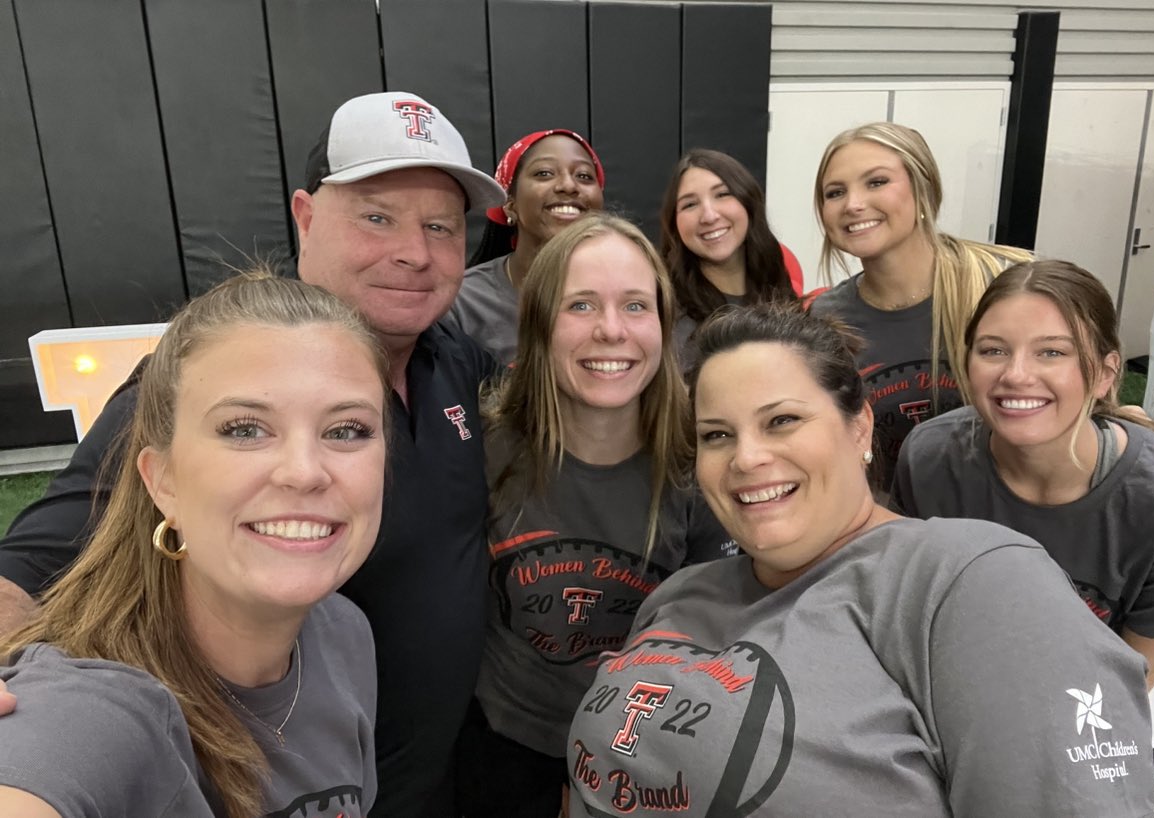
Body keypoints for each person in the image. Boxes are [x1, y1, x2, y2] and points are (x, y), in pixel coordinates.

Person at [0, 91, 505, 818]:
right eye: (377, 217)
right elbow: (33, 562)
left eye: (440, 226)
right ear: (305, 218)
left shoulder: (454, 361)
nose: (414, 252)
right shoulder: (213, 380)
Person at [565, 302, 1154, 816]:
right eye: (718, 435)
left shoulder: (973, 583)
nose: (746, 458)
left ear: (860, 428)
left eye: (782, 421)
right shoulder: (679, 594)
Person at [0, 272, 385, 817]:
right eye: (245, 429)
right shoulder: (91, 703)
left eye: (347, 430)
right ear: (163, 482)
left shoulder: (344, 634)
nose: (304, 472)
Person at [457, 214, 730, 817]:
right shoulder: (483, 450)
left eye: (636, 306)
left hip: (649, 756)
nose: (612, 331)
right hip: (505, 749)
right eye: (581, 305)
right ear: (538, 326)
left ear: (665, 325)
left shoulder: (704, 465)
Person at [892, 259, 1154, 743]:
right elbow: (908, 611)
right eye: (993, 350)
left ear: (1107, 373)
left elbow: (1134, 673)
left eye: (1051, 352)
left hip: (1099, 690)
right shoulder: (930, 457)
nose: (1016, 374)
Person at [809, 122, 1033, 489]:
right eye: (835, 192)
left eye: (877, 182)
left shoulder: (1003, 281)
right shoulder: (825, 320)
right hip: (895, 527)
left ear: (923, 187)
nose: (853, 204)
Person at [448, 129, 605, 363]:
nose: (569, 185)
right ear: (509, 205)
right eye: (544, 173)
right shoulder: (461, 302)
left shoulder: (630, 287)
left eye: (583, 176)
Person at [661, 149, 800, 366]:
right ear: (674, 224)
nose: (709, 215)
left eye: (722, 194)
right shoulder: (667, 311)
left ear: (748, 201)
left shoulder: (778, 288)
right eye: (690, 204)